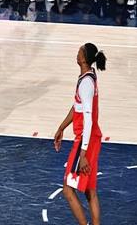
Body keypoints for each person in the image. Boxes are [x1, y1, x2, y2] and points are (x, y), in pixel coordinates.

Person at [54, 43, 106, 225]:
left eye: (80, 50)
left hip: (85, 139)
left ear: (84, 58)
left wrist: (83, 154)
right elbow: (77, 106)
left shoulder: (85, 84)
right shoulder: (88, 76)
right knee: (90, 190)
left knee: (68, 190)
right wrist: (61, 127)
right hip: (92, 138)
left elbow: (88, 120)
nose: (77, 52)